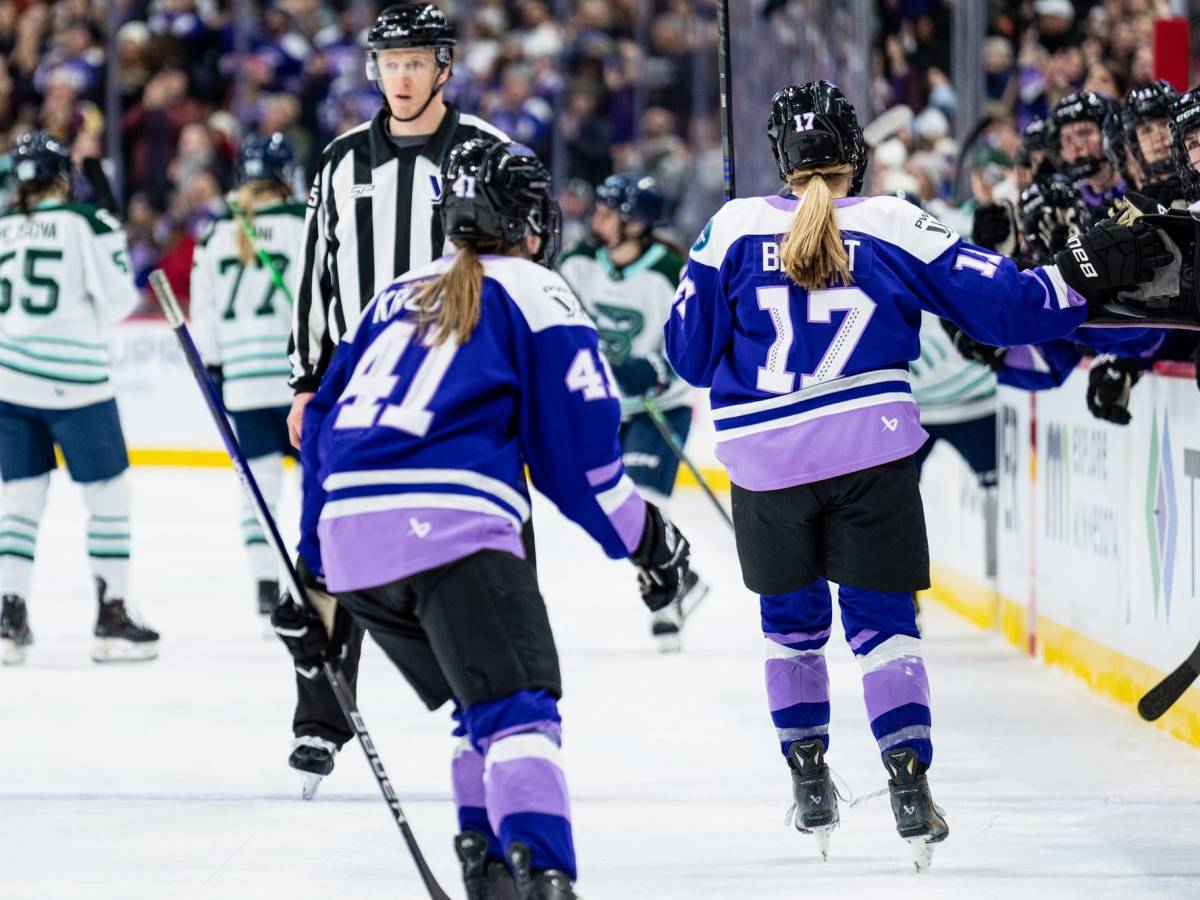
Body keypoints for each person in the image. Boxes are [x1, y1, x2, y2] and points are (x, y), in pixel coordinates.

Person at [664, 80, 1167, 868]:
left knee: (791, 633)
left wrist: (724, 263)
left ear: (779, 157)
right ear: (855, 154)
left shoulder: (731, 226)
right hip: (871, 457)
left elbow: (688, 356)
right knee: (884, 629)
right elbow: (1007, 309)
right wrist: (1082, 267)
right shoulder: (894, 221)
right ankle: (906, 780)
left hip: (765, 464)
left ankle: (808, 774)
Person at [276, 137, 693, 900]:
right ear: (528, 221)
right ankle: (542, 876)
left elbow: (324, 434)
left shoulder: (391, 293)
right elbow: (580, 469)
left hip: (353, 551)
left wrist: (311, 573)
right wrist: (649, 541)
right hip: (454, 533)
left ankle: (489, 869)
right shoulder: (538, 291)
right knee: (519, 713)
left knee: (481, 706)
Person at [283, 1, 509, 798]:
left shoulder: (489, 153)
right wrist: (308, 380)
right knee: (328, 550)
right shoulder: (342, 161)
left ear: (444, 66)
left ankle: (497, 701)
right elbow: (316, 274)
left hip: (458, 383)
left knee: (474, 541)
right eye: (390, 62)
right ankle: (320, 715)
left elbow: (525, 267)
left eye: (417, 61)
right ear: (373, 70)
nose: (402, 76)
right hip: (356, 383)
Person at [0, 131, 159, 665]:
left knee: (20, 501)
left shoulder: (2, 225)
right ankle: (112, 615)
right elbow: (118, 300)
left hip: (8, 380)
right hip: (76, 380)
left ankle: (8, 615)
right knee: (109, 498)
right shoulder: (84, 222)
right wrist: (112, 230)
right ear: (62, 176)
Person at [559, 173, 708, 652]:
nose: (597, 218)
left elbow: (693, 337)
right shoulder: (578, 263)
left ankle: (665, 601)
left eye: (609, 211)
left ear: (635, 223)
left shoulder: (667, 270)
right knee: (606, 510)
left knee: (640, 495)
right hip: (601, 410)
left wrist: (656, 371)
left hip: (658, 409)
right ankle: (683, 575)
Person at [190, 133, 306, 628]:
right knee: (318, 481)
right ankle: (319, 577)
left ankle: (265, 585)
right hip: (297, 377)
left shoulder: (217, 232)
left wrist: (218, 368)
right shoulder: (304, 223)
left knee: (259, 487)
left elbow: (204, 312)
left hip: (242, 379)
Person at [1051, 90, 1126, 217]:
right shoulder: (1068, 204)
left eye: (1084, 133)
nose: (1077, 147)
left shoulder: (1140, 185)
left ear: (1111, 133)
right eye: (1067, 140)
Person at [1121, 80, 1183, 207]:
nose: (1158, 137)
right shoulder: (1135, 207)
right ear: (1135, 144)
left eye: (1164, 123)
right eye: (1146, 130)